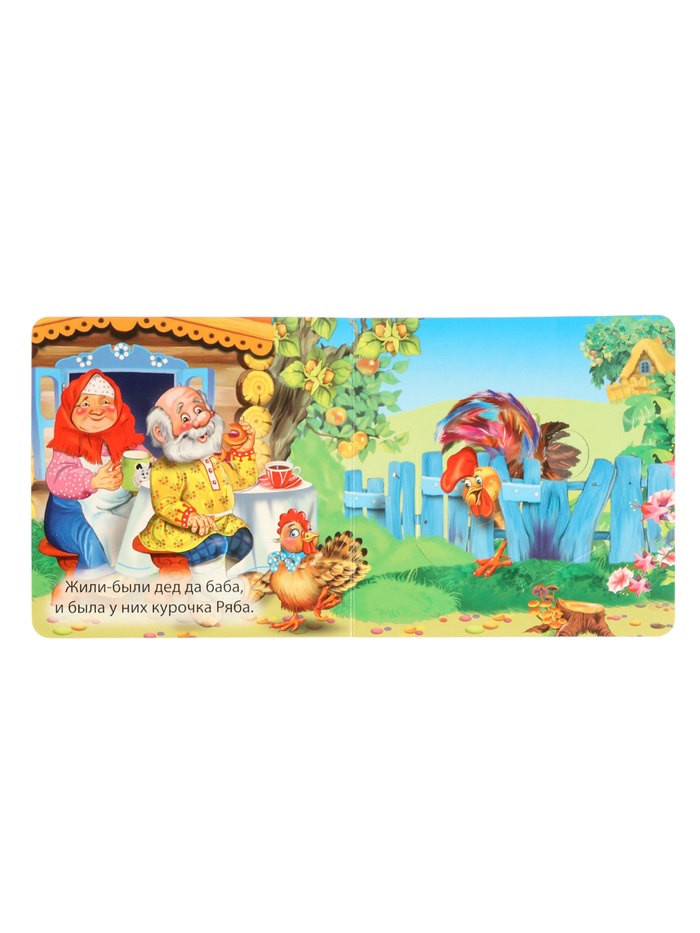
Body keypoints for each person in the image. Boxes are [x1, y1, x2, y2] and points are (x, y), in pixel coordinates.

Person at [138, 385, 257, 583]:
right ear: (161, 433)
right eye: (185, 418)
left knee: (243, 539)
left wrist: (244, 450)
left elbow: (241, 480)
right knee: (214, 544)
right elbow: (165, 502)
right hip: (181, 529)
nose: (199, 421)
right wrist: (190, 516)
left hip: (220, 524)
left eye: (199, 410)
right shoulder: (166, 467)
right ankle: (210, 588)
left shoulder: (213, 460)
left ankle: (215, 581)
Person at [45, 369, 150, 578]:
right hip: (75, 511)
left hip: (119, 504)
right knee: (103, 532)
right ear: (70, 410)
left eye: (105, 402)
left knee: (143, 522)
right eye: (85, 404)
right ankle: (100, 579)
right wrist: (92, 481)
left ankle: (139, 572)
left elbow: (150, 465)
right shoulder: (68, 445)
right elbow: (58, 477)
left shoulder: (128, 442)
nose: (97, 411)